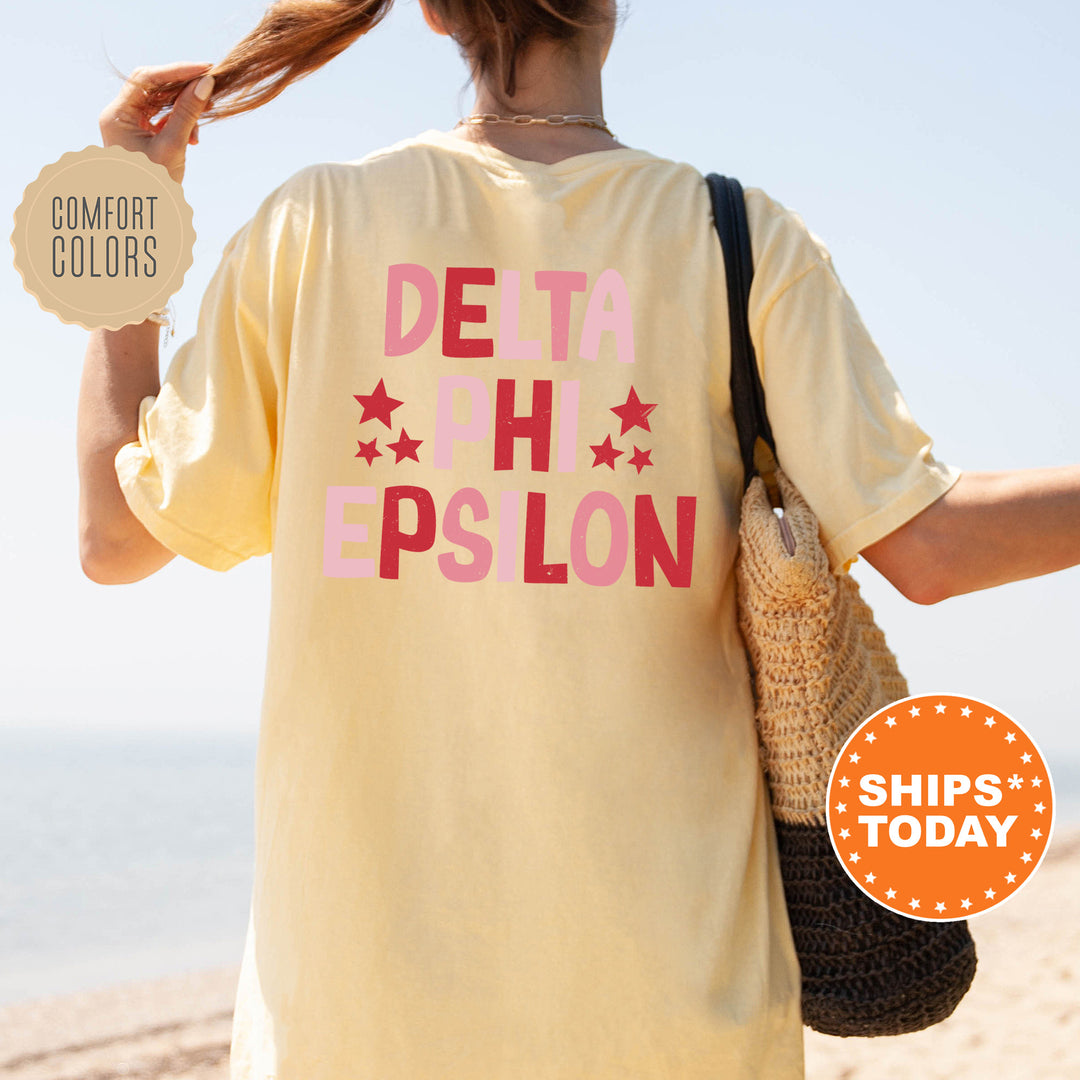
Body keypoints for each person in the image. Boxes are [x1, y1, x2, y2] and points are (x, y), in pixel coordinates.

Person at [78, 2, 1080, 1078]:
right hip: (674, 1007)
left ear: (429, 13)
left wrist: (129, 214)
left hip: (356, 1017)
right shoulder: (736, 240)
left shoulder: (315, 225)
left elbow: (115, 539)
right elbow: (930, 549)